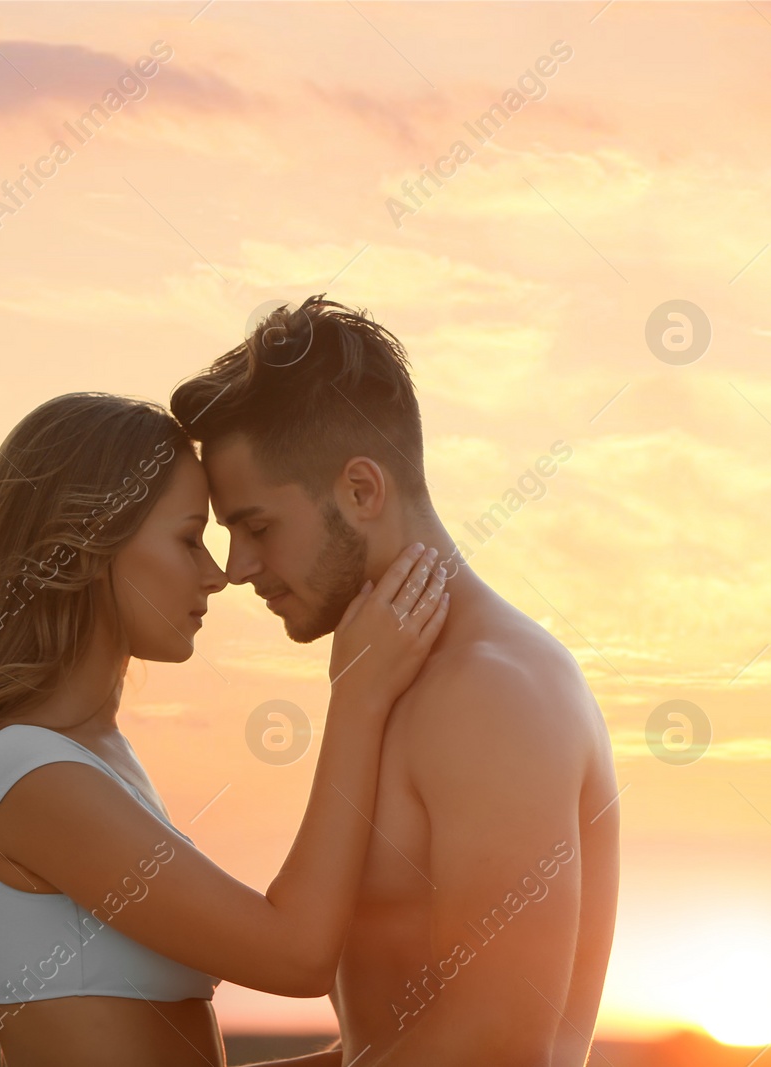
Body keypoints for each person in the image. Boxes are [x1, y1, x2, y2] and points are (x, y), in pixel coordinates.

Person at [0, 392, 449, 1067]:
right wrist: (356, 695)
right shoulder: (31, 775)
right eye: (189, 538)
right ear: (90, 544)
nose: (217, 574)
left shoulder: (95, 759)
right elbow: (296, 954)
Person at [170, 296, 621, 1066]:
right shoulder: (392, 674)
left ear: (361, 491)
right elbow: (385, 1048)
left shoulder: (492, 693)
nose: (238, 567)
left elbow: (495, 1046)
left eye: (259, 527)